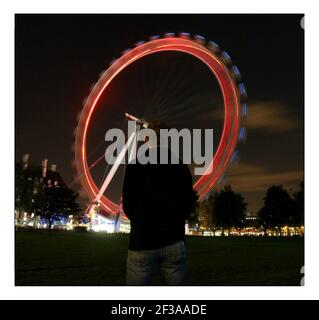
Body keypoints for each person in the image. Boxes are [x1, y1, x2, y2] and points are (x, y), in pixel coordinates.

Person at [122, 120, 195, 285]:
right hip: (174, 239)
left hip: (142, 239)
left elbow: (128, 205)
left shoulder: (134, 166)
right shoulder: (181, 166)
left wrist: (141, 219)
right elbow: (188, 204)